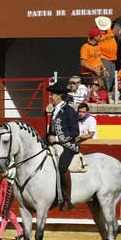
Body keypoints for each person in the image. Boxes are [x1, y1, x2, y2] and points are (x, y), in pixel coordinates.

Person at [46, 80, 80, 212]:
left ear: (59, 96)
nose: (50, 97)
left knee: (62, 167)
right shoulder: (55, 111)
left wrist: (58, 138)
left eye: (52, 95)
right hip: (54, 143)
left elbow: (75, 133)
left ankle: (67, 198)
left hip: (69, 145)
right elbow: (51, 132)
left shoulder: (69, 111)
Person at [0, 163, 24, 240]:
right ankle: (20, 230)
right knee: (4, 209)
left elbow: (11, 172)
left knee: (5, 210)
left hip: (10, 184)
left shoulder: (15, 158)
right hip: (3, 182)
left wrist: (6, 173)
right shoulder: (6, 157)